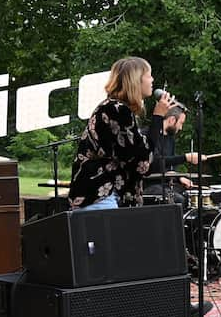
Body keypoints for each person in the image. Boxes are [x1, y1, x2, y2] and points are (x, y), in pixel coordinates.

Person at [69, 56, 175, 211]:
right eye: (148, 75)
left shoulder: (115, 108)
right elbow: (143, 162)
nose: (152, 80)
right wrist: (158, 117)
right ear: (135, 80)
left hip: (103, 197)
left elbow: (134, 155)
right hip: (100, 198)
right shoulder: (117, 110)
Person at [144, 103, 202, 207]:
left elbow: (169, 167)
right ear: (171, 120)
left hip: (164, 184)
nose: (181, 128)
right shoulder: (149, 135)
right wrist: (186, 158)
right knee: (177, 199)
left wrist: (179, 177)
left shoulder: (171, 139)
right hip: (148, 184)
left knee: (191, 193)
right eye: (181, 123)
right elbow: (156, 162)